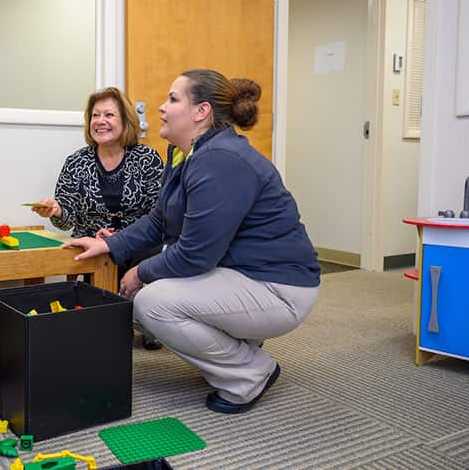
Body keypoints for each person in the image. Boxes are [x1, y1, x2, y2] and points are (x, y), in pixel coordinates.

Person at [63, 69, 321, 414]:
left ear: (200, 112)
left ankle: (249, 374)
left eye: (173, 99)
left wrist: (139, 272)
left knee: (150, 302)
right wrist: (110, 245)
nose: (161, 107)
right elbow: (159, 220)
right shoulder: (185, 154)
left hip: (278, 287)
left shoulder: (221, 160)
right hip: (243, 275)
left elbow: (196, 254)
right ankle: (241, 351)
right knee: (145, 300)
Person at [30, 87, 165, 348]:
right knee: (102, 325)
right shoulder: (76, 162)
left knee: (151, 256)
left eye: (109, 114)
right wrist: (56, 210)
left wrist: (120, 238)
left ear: (125, 121)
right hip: (93, 247)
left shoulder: (147, 158)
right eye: (95, 115)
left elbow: (157, 213)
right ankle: (119, 311)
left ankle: (145, 315)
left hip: (138, 246)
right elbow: (66, 219)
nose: (100, 121)